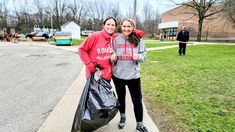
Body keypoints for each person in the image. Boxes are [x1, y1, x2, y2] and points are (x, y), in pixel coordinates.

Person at [78, 17, 144, 82]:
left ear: (115, 27)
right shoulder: (94, 36)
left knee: (106, 93)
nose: (110, 27)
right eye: (108, 24)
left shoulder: (115, 37)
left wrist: (137, 32)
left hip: (107, 75)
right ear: (104, 25)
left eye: (113, 25)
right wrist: (90, 65)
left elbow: (126, 32)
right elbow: (81, 50)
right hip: (94, 74)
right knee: (94, 93)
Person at [111, 18, 148, 132]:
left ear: (133, 27)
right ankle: (122, 118)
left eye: (129, 26)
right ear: (121, 27)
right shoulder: (115, 40)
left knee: (137, 101)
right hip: (118, 76)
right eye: (124, 26)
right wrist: (112, 58)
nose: (126, 29)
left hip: (133, 77)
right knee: (121, 99)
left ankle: (140, 125)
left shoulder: (139, 40)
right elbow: (110, 55)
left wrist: (139, 57)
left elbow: (144, 55)